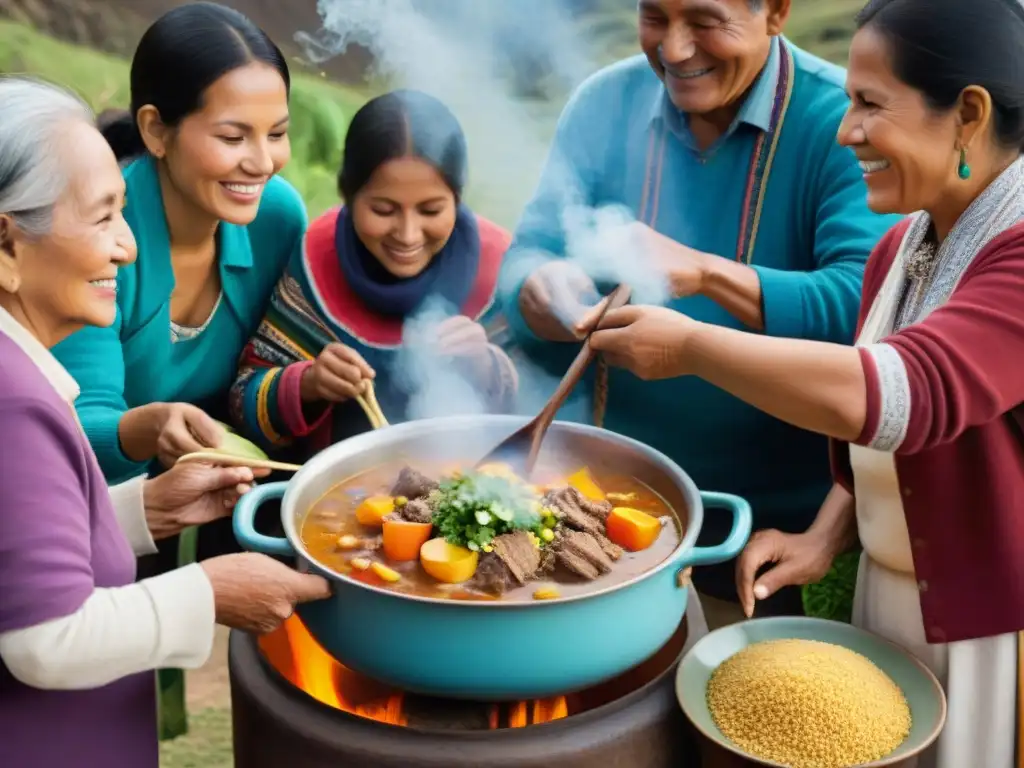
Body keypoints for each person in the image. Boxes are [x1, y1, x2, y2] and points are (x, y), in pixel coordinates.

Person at [589, 0, 1024, 763]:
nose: (843, 129)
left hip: (994, 627)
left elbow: (907, 395)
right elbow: (887, 439)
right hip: (890, 601)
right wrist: (824, 537)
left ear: (968, 114)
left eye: (869, 104)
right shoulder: (903, 244)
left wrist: (693, 345)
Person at [496, 0, 898, 626]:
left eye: (706, 21)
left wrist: (704, 271)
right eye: (654, 16)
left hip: (770, 538)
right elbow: (527, 253)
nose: (675, 50)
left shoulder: (841, 121)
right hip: (589, 512)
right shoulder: (603, 103)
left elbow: (866, 308)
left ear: (777, 12)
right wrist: (538, 292)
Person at [0, 76, 330, 768]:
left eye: (125, 215)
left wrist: (146, 509)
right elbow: (42, 637)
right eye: (102, 219)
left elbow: (21, 555)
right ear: (7, 245)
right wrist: (211, 591)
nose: (126, 249)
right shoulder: (16, 405)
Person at [51, 2, 306, 567]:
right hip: (99, 504)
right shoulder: (100, 236)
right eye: (233, 137)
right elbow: (77, 422)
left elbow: (283, 354)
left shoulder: (278, 218)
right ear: (155, 130)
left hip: (227, 483)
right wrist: (151, 426)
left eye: (278, 133)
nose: (262, 162)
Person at [230, 89, 516, 453]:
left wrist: (485, 364)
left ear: (458, 199)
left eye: (431, 211)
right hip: (340, 494)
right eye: (383, 210)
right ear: (348, 195)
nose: (408, 235)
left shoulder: (499, 265)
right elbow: (243, 402)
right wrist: (308, 384)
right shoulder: (319, 258)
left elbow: (542, 417)